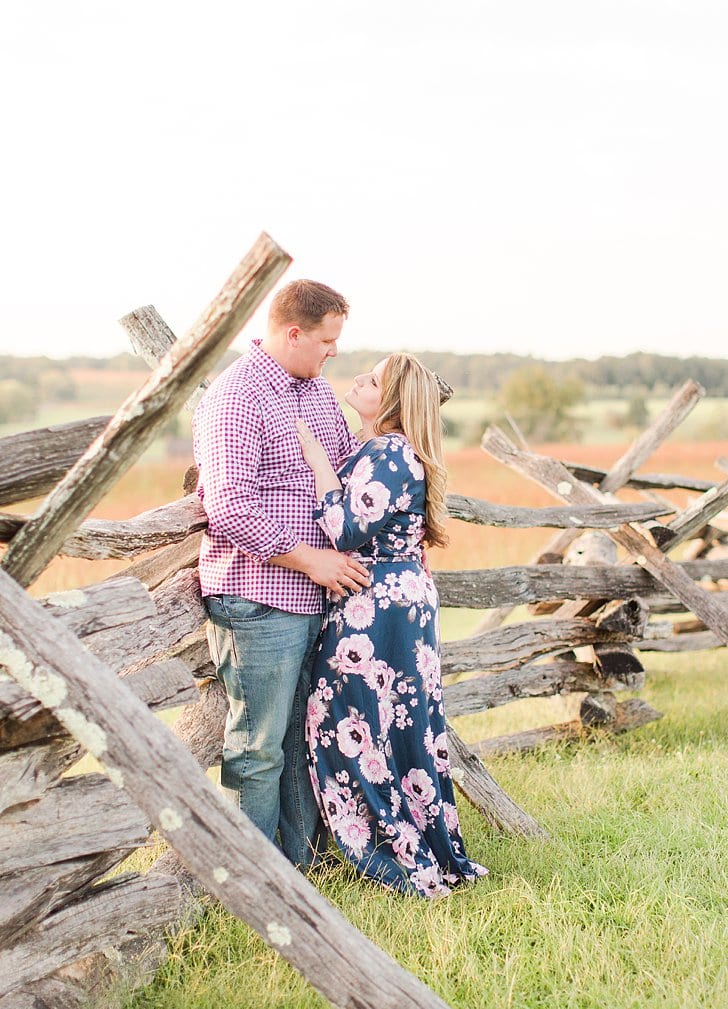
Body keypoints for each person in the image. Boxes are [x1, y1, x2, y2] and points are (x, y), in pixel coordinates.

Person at [192, 279, 371, 868]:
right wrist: (311, 558)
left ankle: (301, 867)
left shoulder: (316, 393)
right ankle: (251, 880)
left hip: (312, 599)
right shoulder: (236, 397)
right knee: (259, 749)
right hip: (259, 598)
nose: (334, 351)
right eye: (327, 339)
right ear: (292, 333)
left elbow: (346, 467)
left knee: (300, 739)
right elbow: (230, 508)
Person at [295, 353, 487, 897]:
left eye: (374, 380)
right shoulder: (390, 450)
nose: (359, 379)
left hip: (375, 606)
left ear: (395, 401)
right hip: (395, 599)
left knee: (350, 722)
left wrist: (316, 462)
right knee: (398, 722)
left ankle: (393, 854)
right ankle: (416, 843)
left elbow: (346, 531)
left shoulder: (390, 450)